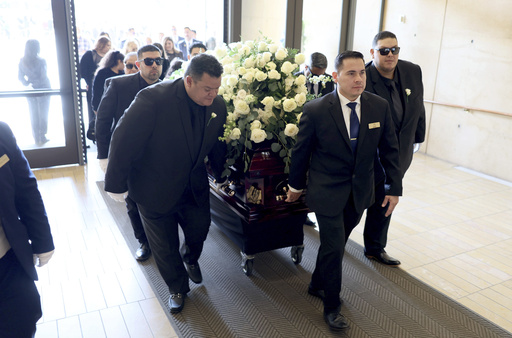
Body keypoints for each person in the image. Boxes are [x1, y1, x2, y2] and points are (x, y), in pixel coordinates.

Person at [285, 51, 402, 331]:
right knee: (336, 245)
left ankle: (316, 283)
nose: (359, 79)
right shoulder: (315, 109)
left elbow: (390, 150)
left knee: (332, 244)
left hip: (360, 191)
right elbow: (302, 153)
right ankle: (332, 305)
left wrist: (393, 187)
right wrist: (295, 186)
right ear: (335, 76)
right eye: (351, 73)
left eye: (362, 72)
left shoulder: (378, 107)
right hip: (326, 190)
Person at [104, 53, 227, 314]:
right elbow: (122, 139)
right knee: (164, 245)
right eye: (207, 89)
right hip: (153, 186)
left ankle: (190, 257)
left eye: (217, 89)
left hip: (192, 184)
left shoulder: (217, 106)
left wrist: (223, 175)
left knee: (199, 229)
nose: (212, 95)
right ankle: (177, 288)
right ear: (189, 81)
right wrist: (115, 183)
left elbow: (215, 144)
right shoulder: (153, 99)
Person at [363, 31, 426, 266]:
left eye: (395, 50)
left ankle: (375, 248)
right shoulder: (364, 76)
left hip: (400, 152)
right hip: (369, 155)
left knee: (387, 198)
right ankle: (337, 245)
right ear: (373, 52)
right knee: (360, 200)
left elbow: (419, 106)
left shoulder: (412, 71)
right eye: (384, 50)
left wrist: (417, 137)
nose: (390, 55)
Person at [96, 45, 163, 261]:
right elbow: (103, 121)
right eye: (149, 61)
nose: (155, 66)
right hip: (130, 154)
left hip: (159, 154)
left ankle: (164, 240)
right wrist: (104, 155)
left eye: (158, 61)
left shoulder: (169, 88)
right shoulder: (118, 85)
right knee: (133, 201)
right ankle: (143, 241)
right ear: (138, 64)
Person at [0, 121, 55, 338]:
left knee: (25, 314)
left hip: (8, 257)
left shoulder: (1, 132)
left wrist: (42, 241)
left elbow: (26, 187)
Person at [18, 39, 52, 146]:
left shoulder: (22, 61)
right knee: (43, 113)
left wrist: (28, 82)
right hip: (43, 88)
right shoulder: (41, 61)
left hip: (31, 89)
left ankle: (36, 137)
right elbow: (43, 76)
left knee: (33, 114)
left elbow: (20, 77)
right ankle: (43, 136)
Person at [80, 36, 111, 142]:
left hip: (106, 88)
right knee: (93, 110)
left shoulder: (109, 56)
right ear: (101, 44)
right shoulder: (89, 55)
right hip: (93, 87)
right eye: (107, 45)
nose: (109, 47)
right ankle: (94, 133)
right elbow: (82, 70)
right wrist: (88, 82)